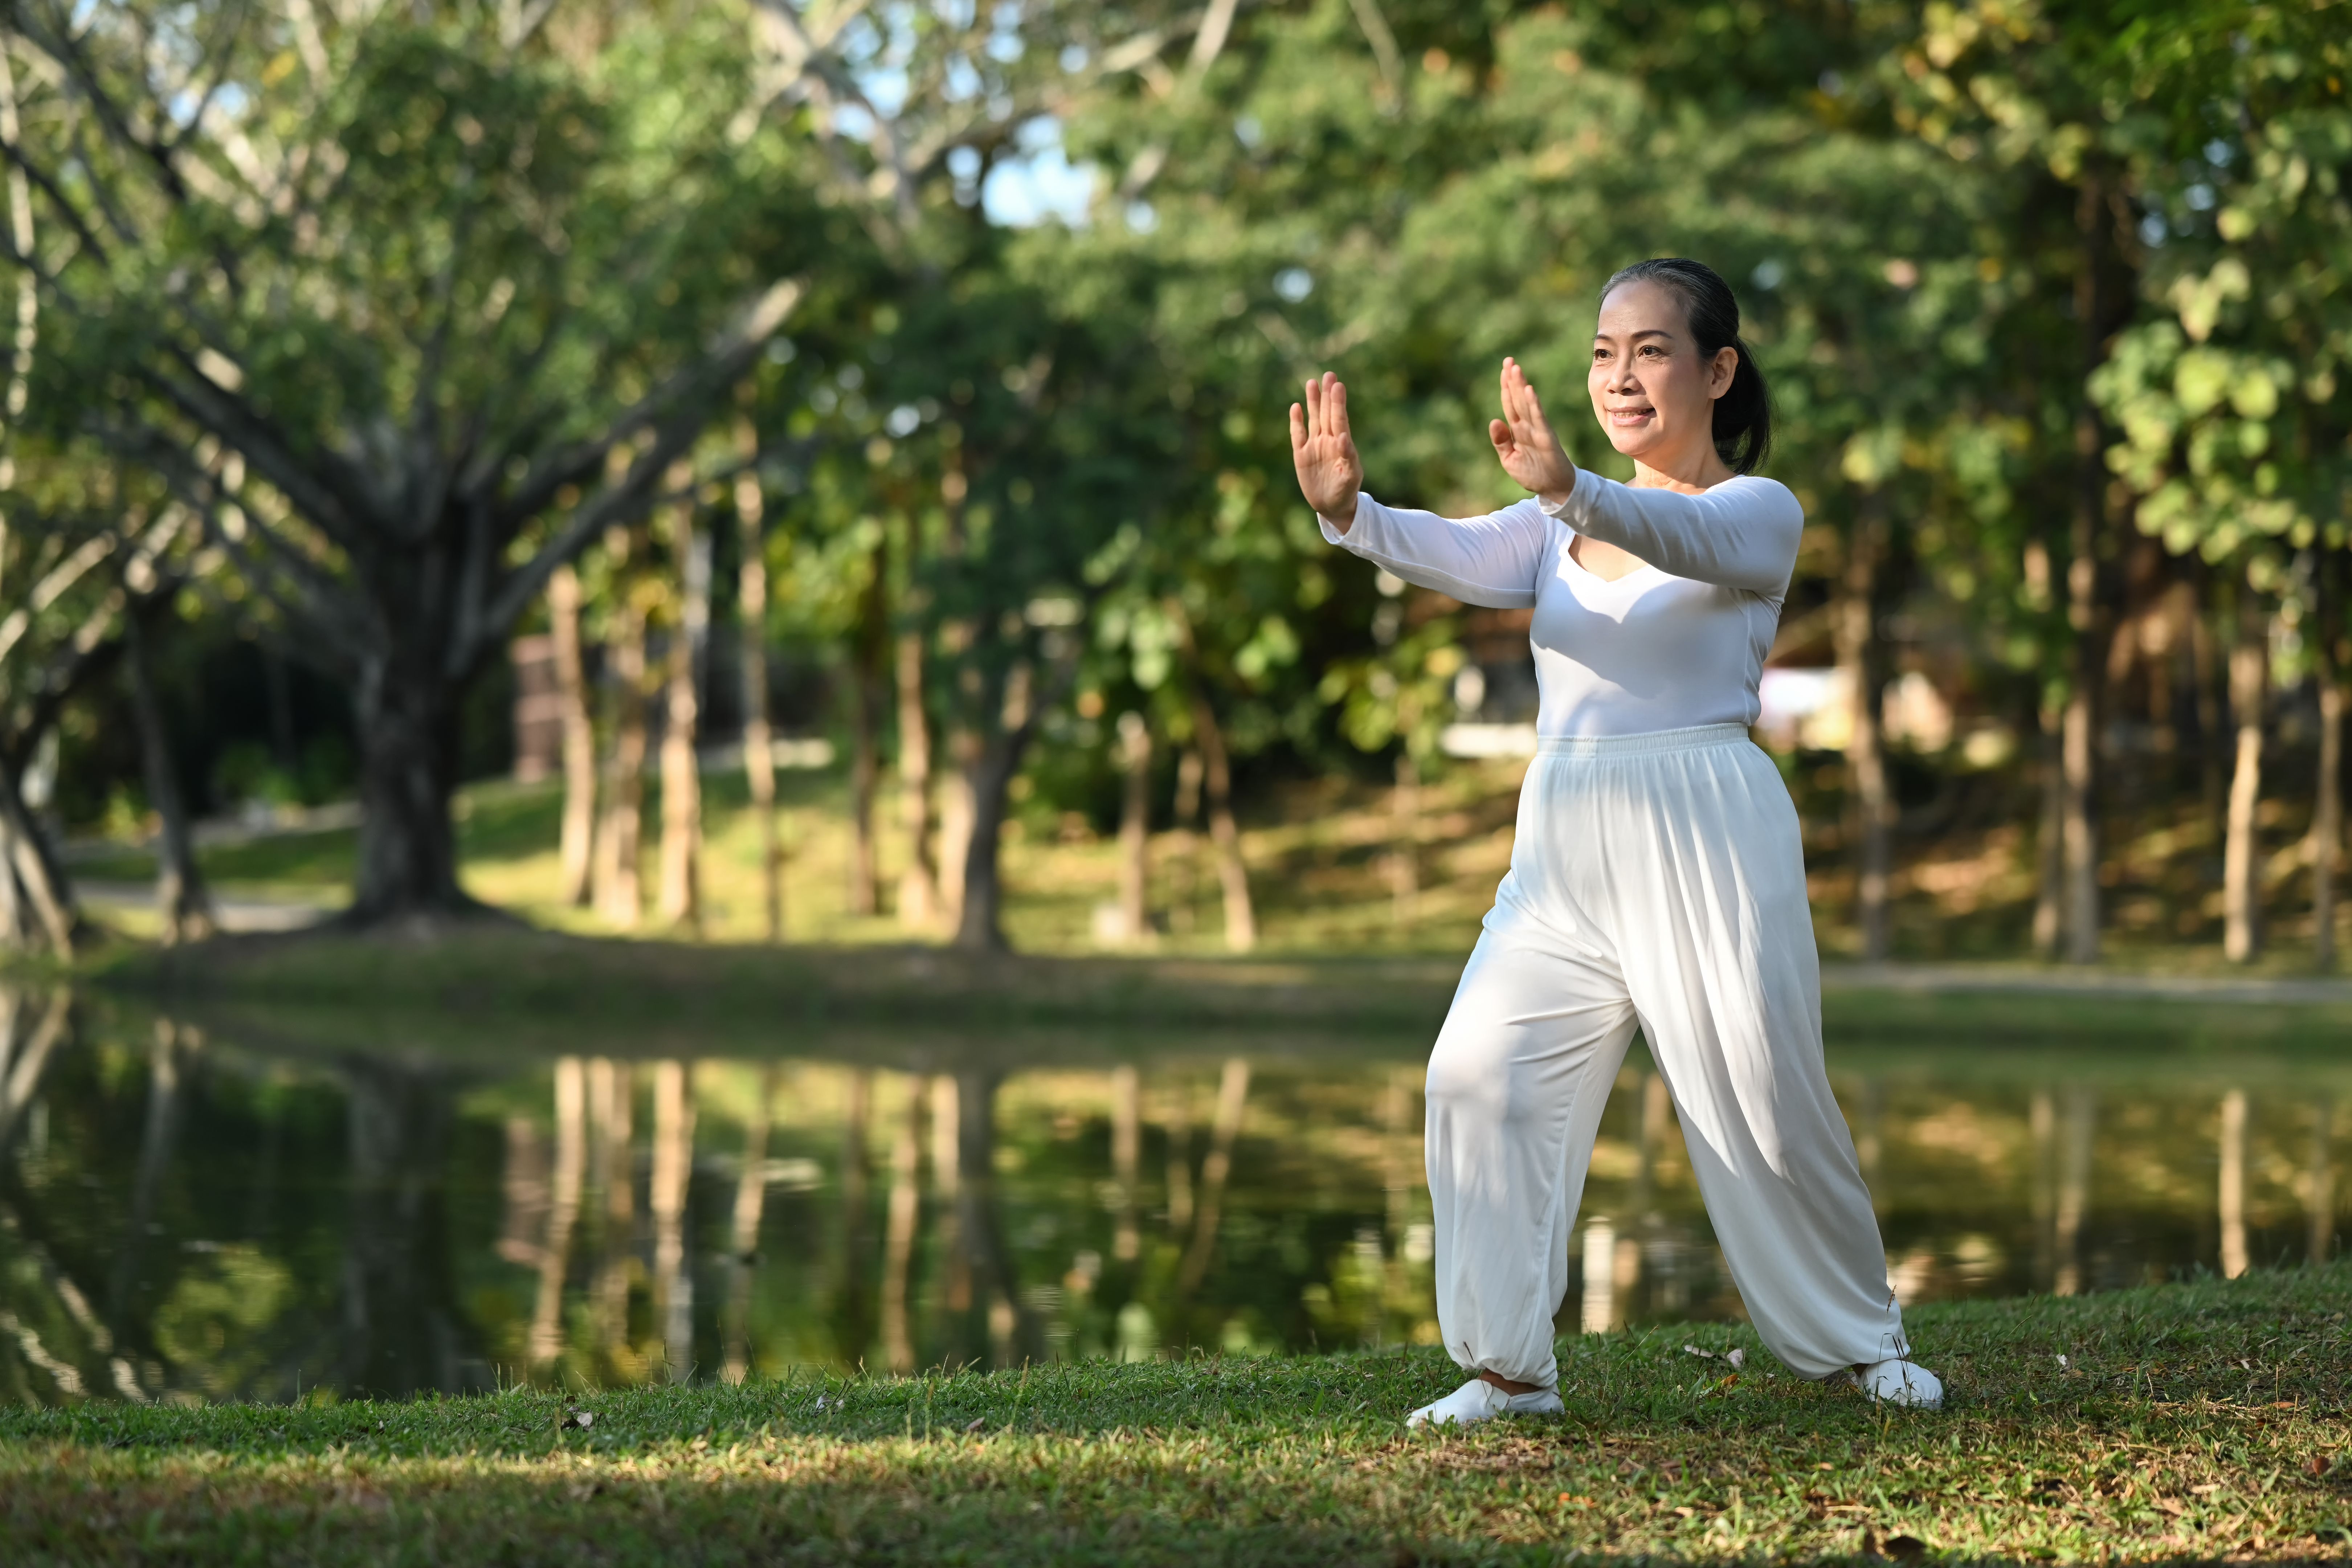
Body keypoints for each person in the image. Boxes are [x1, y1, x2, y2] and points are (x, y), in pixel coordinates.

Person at [1288, 257, 1942, 1428]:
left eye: (1650, 350)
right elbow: (1446, 549)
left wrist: (1570, 487)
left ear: (1717, 369)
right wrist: (1350, 514)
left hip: (1707, 830)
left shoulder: (1757, 513)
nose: (1621, 374)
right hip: (1563, 843)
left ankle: (1861, 1346)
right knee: (1477, 1076)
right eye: (1603, 353)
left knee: (1763, 1099)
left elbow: (1659, 528)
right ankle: (1507, 1368)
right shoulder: (1552, 529)